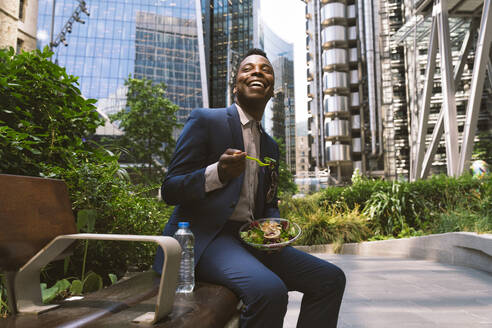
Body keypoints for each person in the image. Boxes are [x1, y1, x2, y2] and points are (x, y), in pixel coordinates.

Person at [154, 48, 345, 328]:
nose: (257, 71)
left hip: (251, 241)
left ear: (271, 90)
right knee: (270, 291)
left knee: (330, 279)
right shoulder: (206, 120)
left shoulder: (270, 146)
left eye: (265, 69)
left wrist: (275, 227)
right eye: (248, 68)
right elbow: (170, 189)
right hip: (206, 241)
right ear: (236, 87)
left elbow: (269, 201)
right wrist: (217, 173)